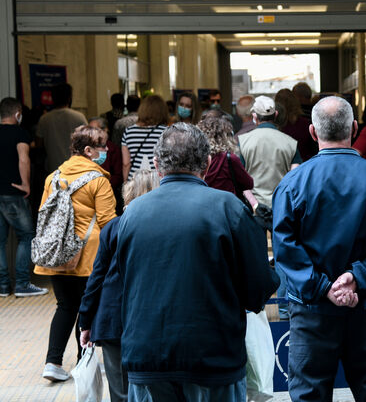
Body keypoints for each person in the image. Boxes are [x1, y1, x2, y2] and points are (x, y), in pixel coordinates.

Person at [115, 123, 279, 400]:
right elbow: (257, 290)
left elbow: (125, 281)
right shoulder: (228, 208)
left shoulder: (132, 214)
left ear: (156, 165)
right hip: (213, 358)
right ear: (207, 163)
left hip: (147, 358)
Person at [273, 96, 366, 402]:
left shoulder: (293, 183)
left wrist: (324, 287)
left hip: (311, 311)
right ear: (355, 127)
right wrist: (357, 277)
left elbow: (285, 247)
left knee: (309, 395)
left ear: (311, 132)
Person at [36, 125, 117, 382]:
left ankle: (53, 362)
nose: (105, 151)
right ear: (88, 150)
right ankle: (86, 362)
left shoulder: (53, 178)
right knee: (86, 309)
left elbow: (43, 214)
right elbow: (108, 222)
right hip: (89, 255)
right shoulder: (98, 180)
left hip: (57, 254)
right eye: (102, 146)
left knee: (64, 306)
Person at [78, 169, 159, 402]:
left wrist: (86, 320)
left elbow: (97, 278)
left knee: (121, 390)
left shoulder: (114, 227)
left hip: (113, 318)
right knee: (154, 385)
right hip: (150, 317)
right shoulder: (163, 227)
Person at [237, 96, 301, 320]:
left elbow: (241, 180)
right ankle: (284, 309)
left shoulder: (242, 142)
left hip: (254, 208)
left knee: (257, 258)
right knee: (283, 258)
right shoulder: (290, 142)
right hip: (282, 208)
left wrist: (254, 203)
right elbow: (294, 178)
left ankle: (260, 308)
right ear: (275, 116)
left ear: (254, 117)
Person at [0, 97, 47, 297]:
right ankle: (21, 283)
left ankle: (2, 286)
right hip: (13, 192)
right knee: (27, 236)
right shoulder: (20, 133)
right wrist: (25, 184)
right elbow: (23, 159)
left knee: (0, 241)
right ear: (17, 113)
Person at [197, 114, 258, 210]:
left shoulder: (196, 159)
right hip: (226, 209)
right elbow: (249, 183)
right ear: (224, 136)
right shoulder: (229, 159)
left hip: (203, 207)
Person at [35, 83, 88, 174]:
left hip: (53, 169)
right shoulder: (79, 117)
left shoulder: (44, 119)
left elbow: (38, 144)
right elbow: (88, 141)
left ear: (52, 98)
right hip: (75, 168)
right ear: (69, 98)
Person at [121, 95, 169, 181]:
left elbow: (126, 164)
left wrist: (125, 183)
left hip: (135, 180)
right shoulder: (166, 132)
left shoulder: (129, 131)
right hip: (158, 180)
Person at [89, 117, 123, 210]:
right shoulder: (86, 149)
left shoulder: (112, 149)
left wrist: (103, 186)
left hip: (108, 194)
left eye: (95, 130)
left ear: (105, 131)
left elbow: (118, 175)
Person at [276, 88, 318, 161]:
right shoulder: (305, 123)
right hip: (304, 163)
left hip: (282, 165)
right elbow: (313, 148)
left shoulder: (277, 125)